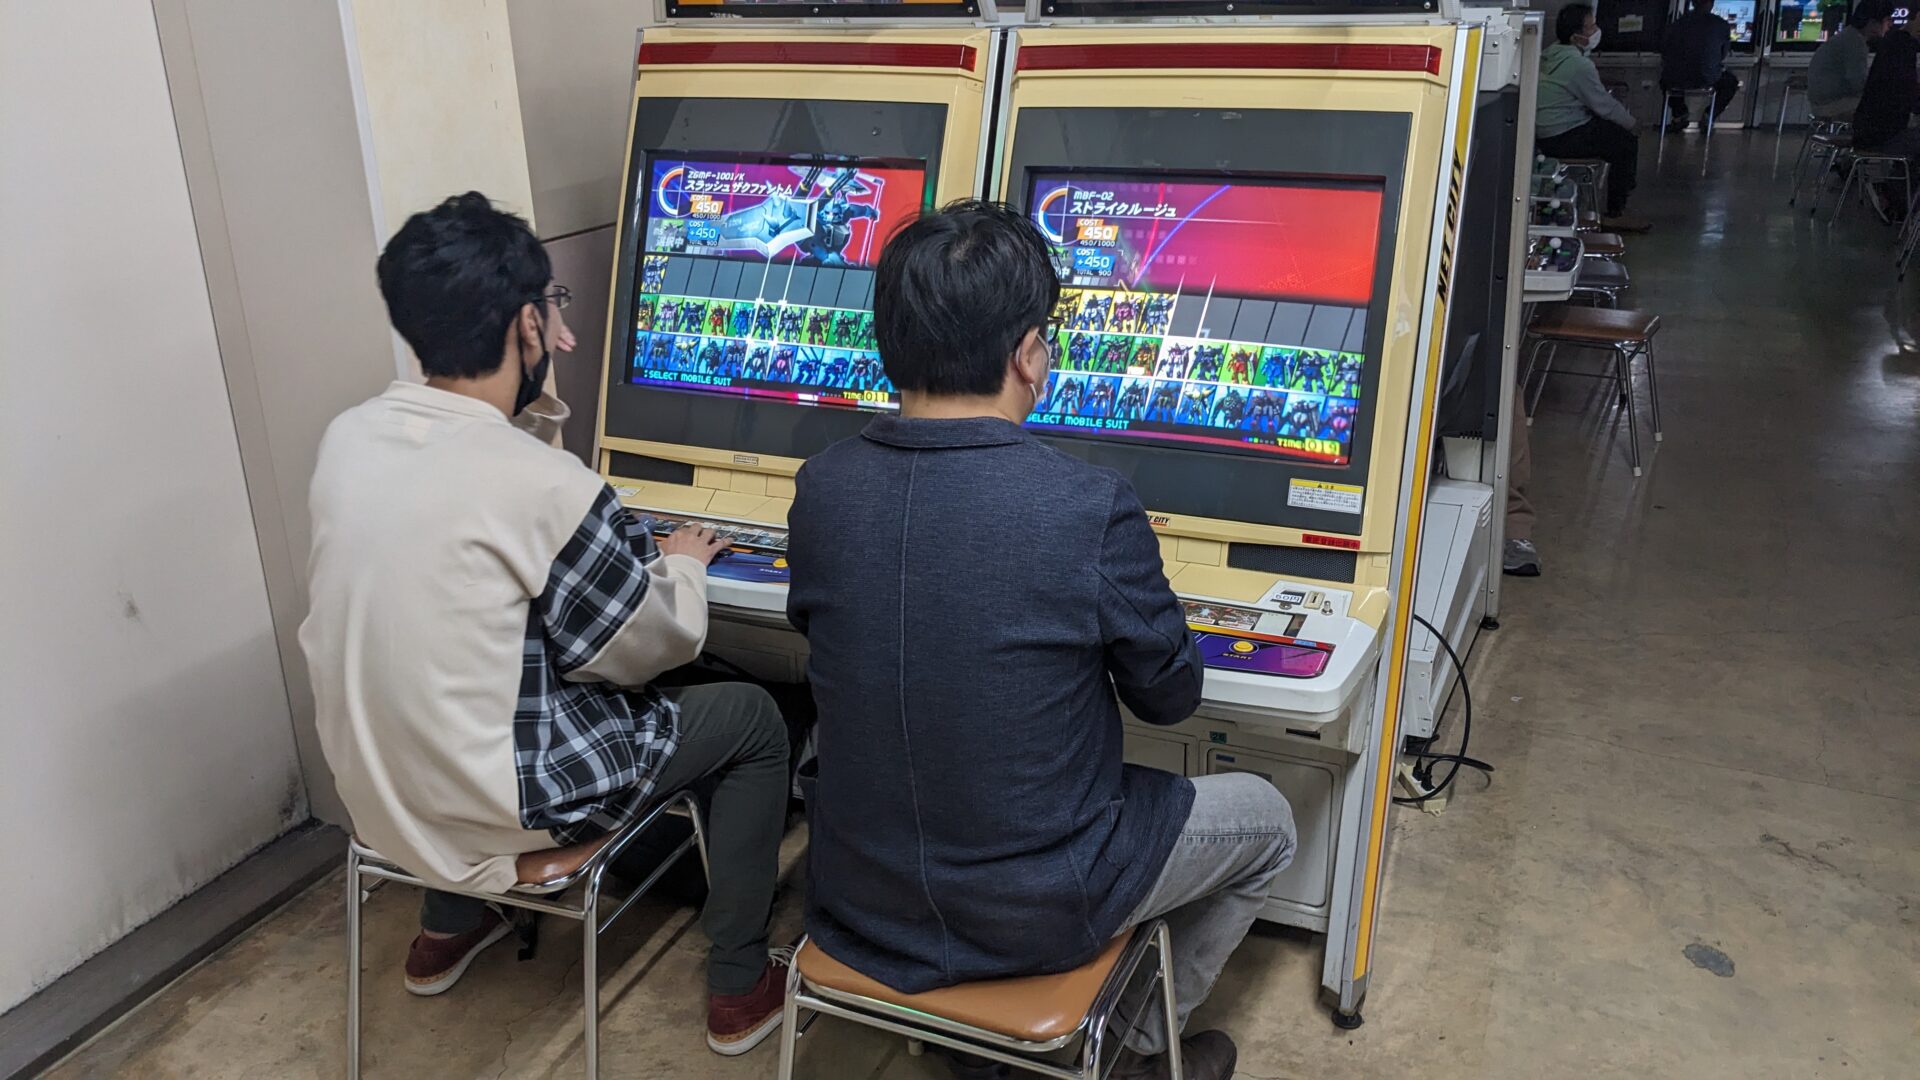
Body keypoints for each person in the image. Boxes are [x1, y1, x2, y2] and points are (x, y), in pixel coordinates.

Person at [786, 200, 1297, 1080]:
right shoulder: (1086, 504)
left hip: (855, 890)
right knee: (1271, 819)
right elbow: (1170, 697)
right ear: (1028, 354)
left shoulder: (821, 487)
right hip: (1037, 906)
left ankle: (977, 1043)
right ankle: (1134, 1049)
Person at [299, 192, 793, 1057]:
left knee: (468, 674)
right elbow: (648, 648)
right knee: (751, 716)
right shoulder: (545, 486)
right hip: (506, 802)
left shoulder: (349, 438)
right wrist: (683, 563)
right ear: (530, 325)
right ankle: (739, 985)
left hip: (376, 793)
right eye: (551, 307)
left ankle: (447, 929)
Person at [1537, 4, 1651, 232]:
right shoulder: (1578, 65)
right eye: (1591, 27)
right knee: (1625, 142)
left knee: (1611, 132)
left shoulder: (1551, 54)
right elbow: (1604, 105)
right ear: (1576, 37)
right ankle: (1616, 213)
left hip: (1545, 132)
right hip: (1562, 136)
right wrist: (1632, 124)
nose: (1596, 31)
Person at [1851, 27, 1920, 221]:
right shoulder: (1901, 78)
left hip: (1868, 135)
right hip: (1884, 138)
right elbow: (1914, 104)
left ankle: (1897, 196)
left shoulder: (1883, 72)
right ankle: (1894, 195)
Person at [1808, 0, 1895, 121]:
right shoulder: (1855, 43)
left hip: (1823, 102)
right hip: (1831, 105)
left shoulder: (1849, 36)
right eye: (1888, 20)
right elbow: (1858, 84)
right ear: (1872, 22)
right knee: (1890, 105)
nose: (1890, 25)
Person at [1661, 0, 1739, 129]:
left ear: (1692, 3)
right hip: (1707, 77)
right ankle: (1709, 115)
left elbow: (1665, 52)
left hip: (1677, 78)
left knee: (1665, 80)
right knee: (1731, 82)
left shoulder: (1677, 23)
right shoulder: (1721, 24)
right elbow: (1722, 55)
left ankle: (1680, 114)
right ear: (1711, 4)